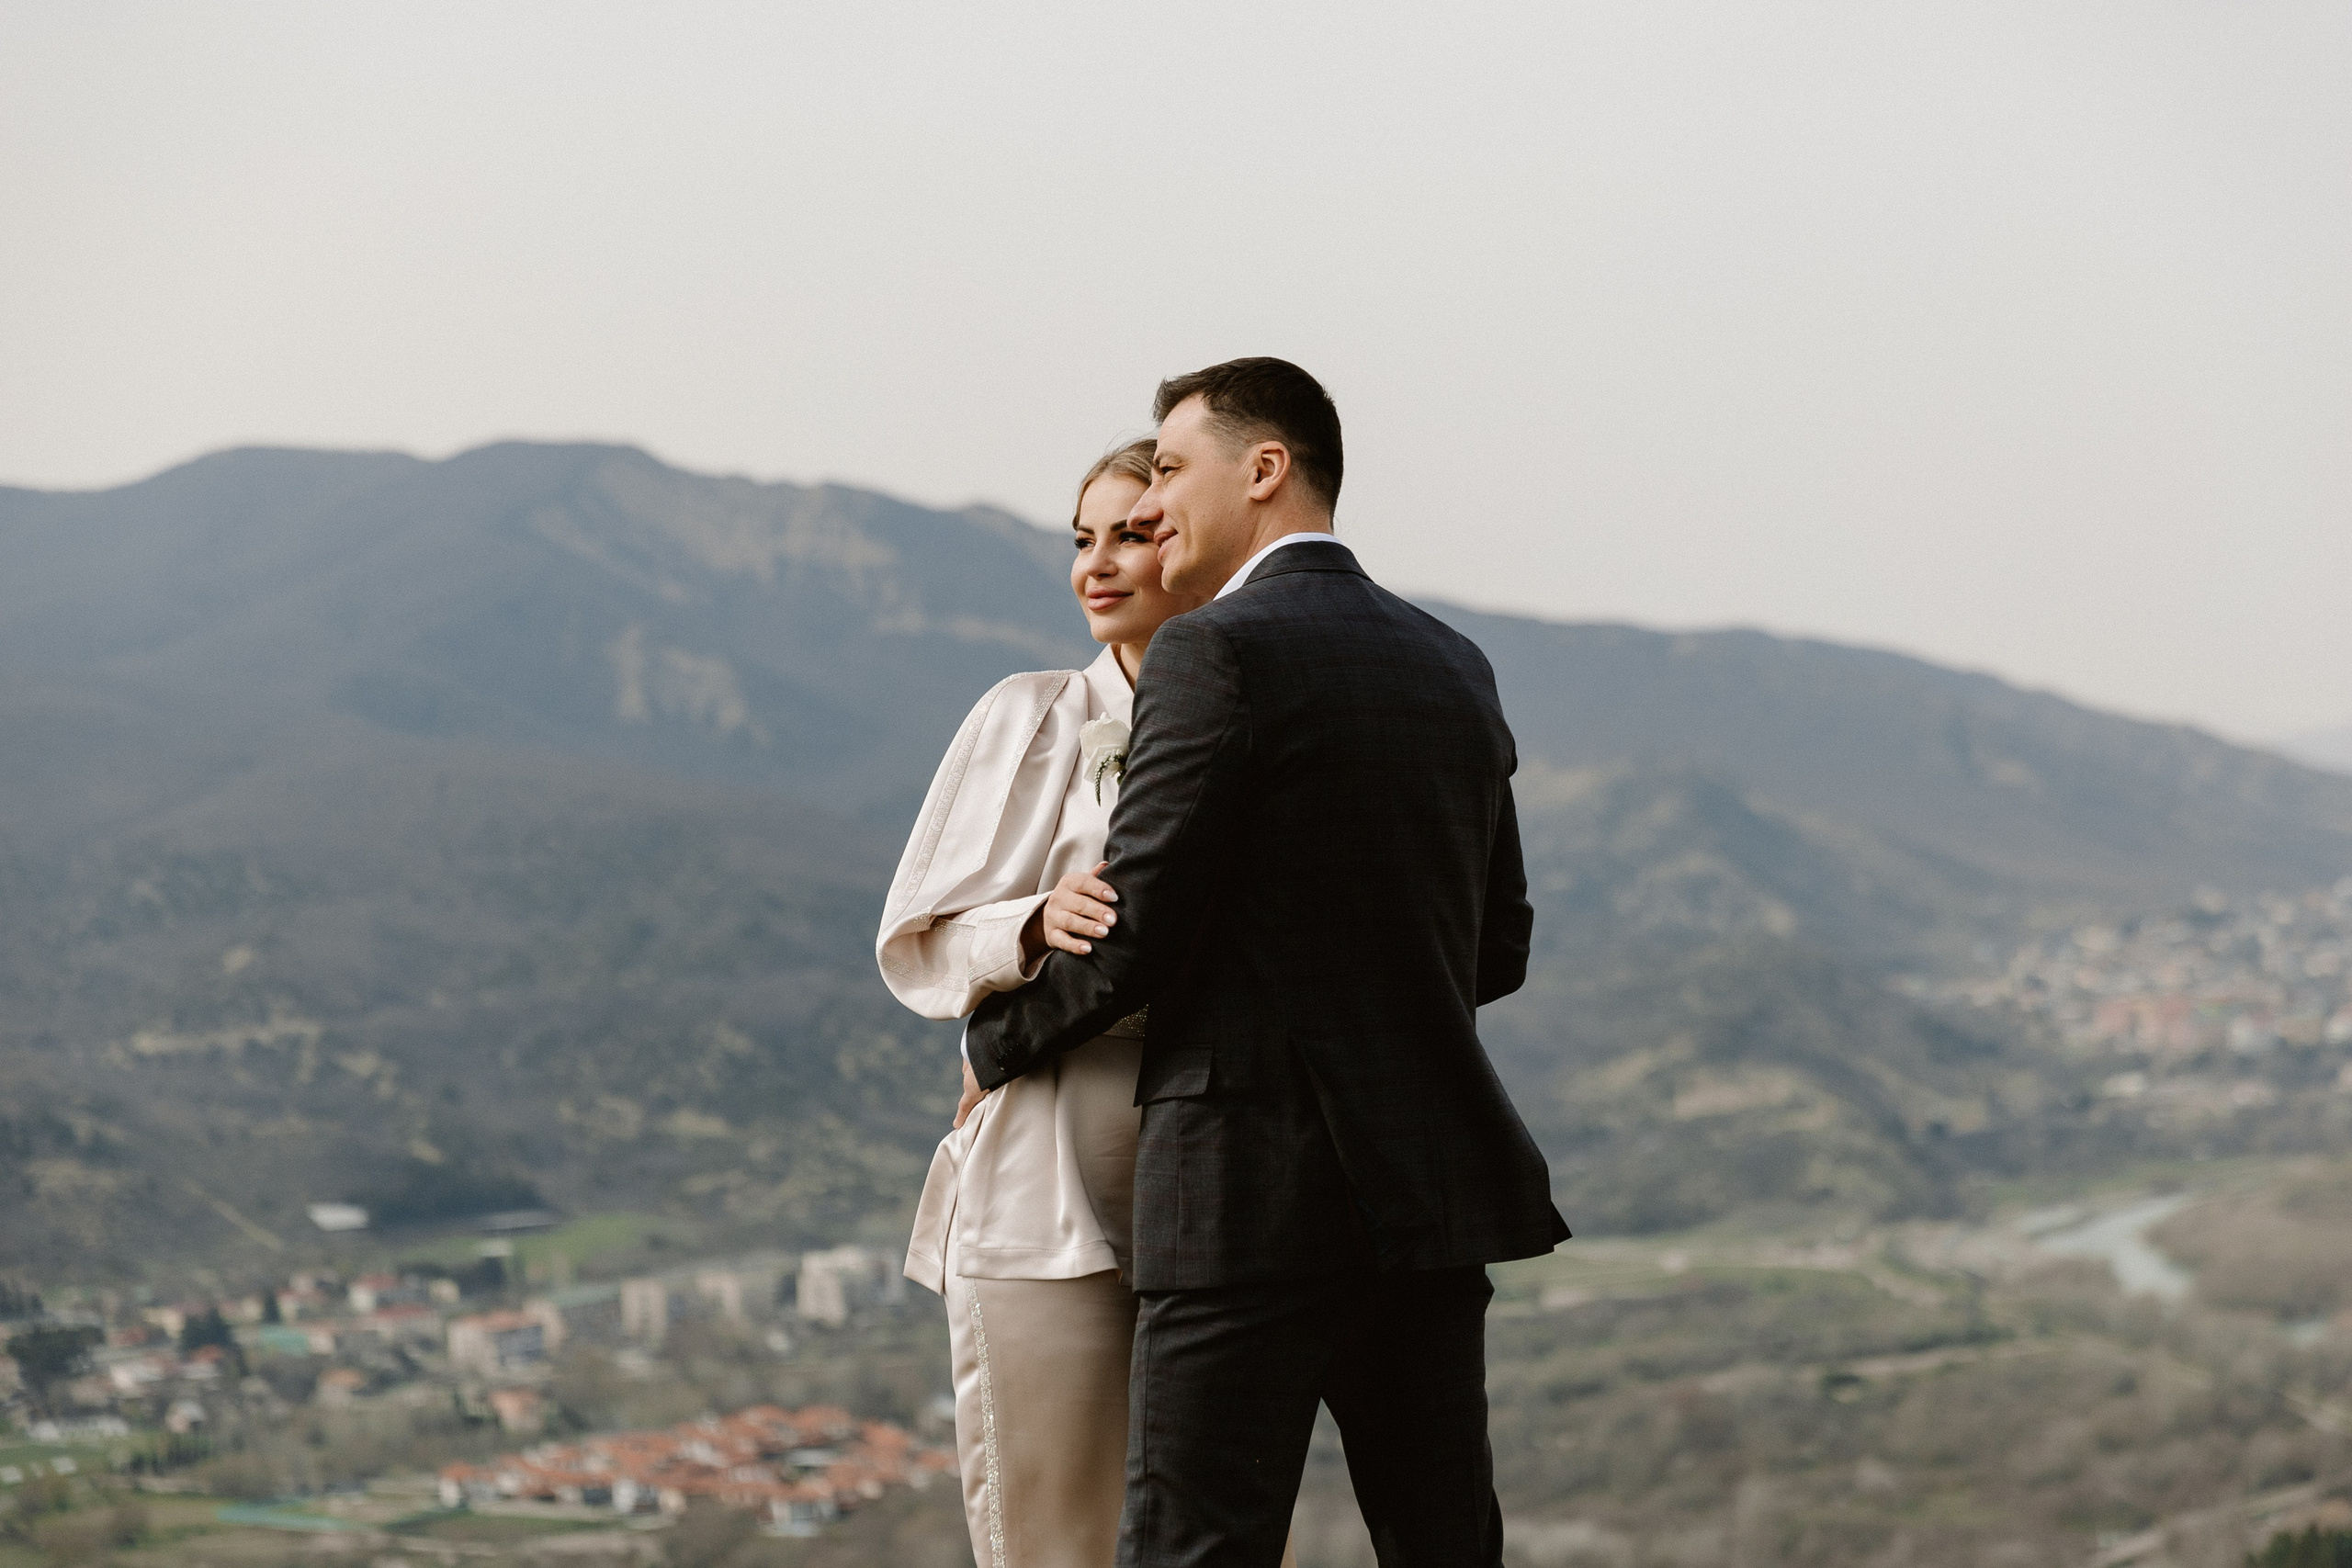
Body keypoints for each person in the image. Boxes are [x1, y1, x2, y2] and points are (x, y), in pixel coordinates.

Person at [963, 358, 1570, 1567]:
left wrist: (997, 1037)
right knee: (1445, 1543)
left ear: (1265, 468)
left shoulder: (1213, 650)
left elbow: (1138, 929)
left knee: (1196, 1545)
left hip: (1240, 1195)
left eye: (1169, 469)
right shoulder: (1453, 661)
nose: (1153, 504)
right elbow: (1496, 944)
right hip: (1426, 1189)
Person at [876, 438, 1205, 1568]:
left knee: (1224, 1525)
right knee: (1050, 1525)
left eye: (1132, 536)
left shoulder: (1257, 721)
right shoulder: (1032, 716)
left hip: (1219, 1145)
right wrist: (1028, 922)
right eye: (1081, 539)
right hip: (1046, 1151)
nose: (1095, 565)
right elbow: (918, 939)